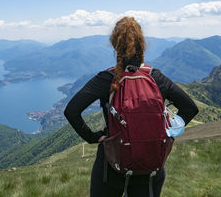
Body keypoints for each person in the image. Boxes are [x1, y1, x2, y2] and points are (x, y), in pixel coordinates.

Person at [64, 16, 199, 197]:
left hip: (111, 161)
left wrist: (94, 137)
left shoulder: (106, 79)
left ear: (114, 44)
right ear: (142, 44)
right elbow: (190, 108)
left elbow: (71, 111)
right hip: (151, 161)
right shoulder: (155, 77)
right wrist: (167, 132)